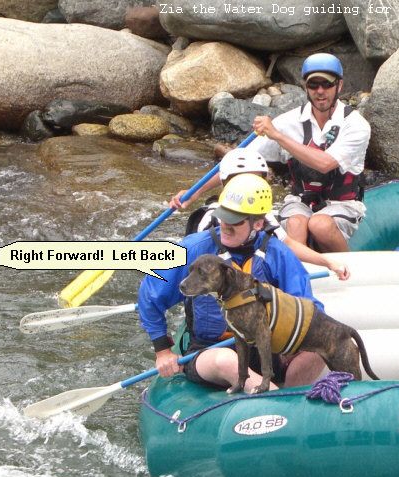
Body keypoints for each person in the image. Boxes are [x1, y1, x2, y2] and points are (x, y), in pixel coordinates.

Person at [139, 173, 326, 392]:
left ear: (257, 223)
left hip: (266, 348)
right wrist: (162, 350)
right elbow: (150, 294)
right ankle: (275, 399)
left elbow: (308, 307)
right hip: (210, 351)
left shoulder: (276, 253)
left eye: (235, 221)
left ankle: (291, 395)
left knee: (320, 345)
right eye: (223, 217)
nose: (226, 226)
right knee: (227, 361)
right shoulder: (194, 248)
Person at [250, 52, 371, 252]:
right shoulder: (287, 122)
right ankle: (298, 269)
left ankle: (347, 266)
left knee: (319, 224)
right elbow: (241, 160)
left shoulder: (356, 125)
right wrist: (196, 193)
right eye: (313, 85)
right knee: (296, 224)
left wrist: (278, 137)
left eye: (327, 84)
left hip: (343, 203)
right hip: (300, 201)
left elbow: (325, 164)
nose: (320, 91)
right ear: (306, 87)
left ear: (339, 86)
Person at [170, 147, 351, 280]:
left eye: (254, 179)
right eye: (240, 179)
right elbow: (194, 261)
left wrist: (328, 262)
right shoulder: (210, 218)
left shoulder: (262, 214)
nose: (248, 185)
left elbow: (288, 245)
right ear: (225, 182)